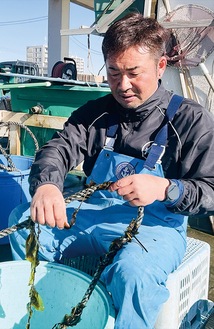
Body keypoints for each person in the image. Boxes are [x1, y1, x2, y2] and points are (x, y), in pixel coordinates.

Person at [9, 13, 214, 329]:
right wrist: (47, 185)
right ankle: (50, 309)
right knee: (23, 224)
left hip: (155, 229)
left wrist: (165, 189)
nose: (123, 85)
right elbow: (57, 150)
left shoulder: (192, 120)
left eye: (134, 73)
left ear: (160, 66)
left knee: (133, 274)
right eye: (114, 72)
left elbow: (210, 190)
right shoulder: (95, 112)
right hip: (90, 213)